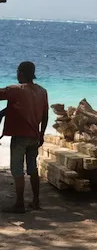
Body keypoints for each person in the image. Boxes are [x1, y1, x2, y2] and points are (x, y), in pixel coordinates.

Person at [0, 62, 48, 213]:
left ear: (21, 73)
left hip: (20, 136)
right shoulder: (42, 91)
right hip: (35, 135)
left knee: (17, 170)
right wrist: (42, 134)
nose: (17, 75)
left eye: (17, 72)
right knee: (33, 169)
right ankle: (36, 201)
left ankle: (19, 204)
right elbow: (46, 115)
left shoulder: (16, 90)